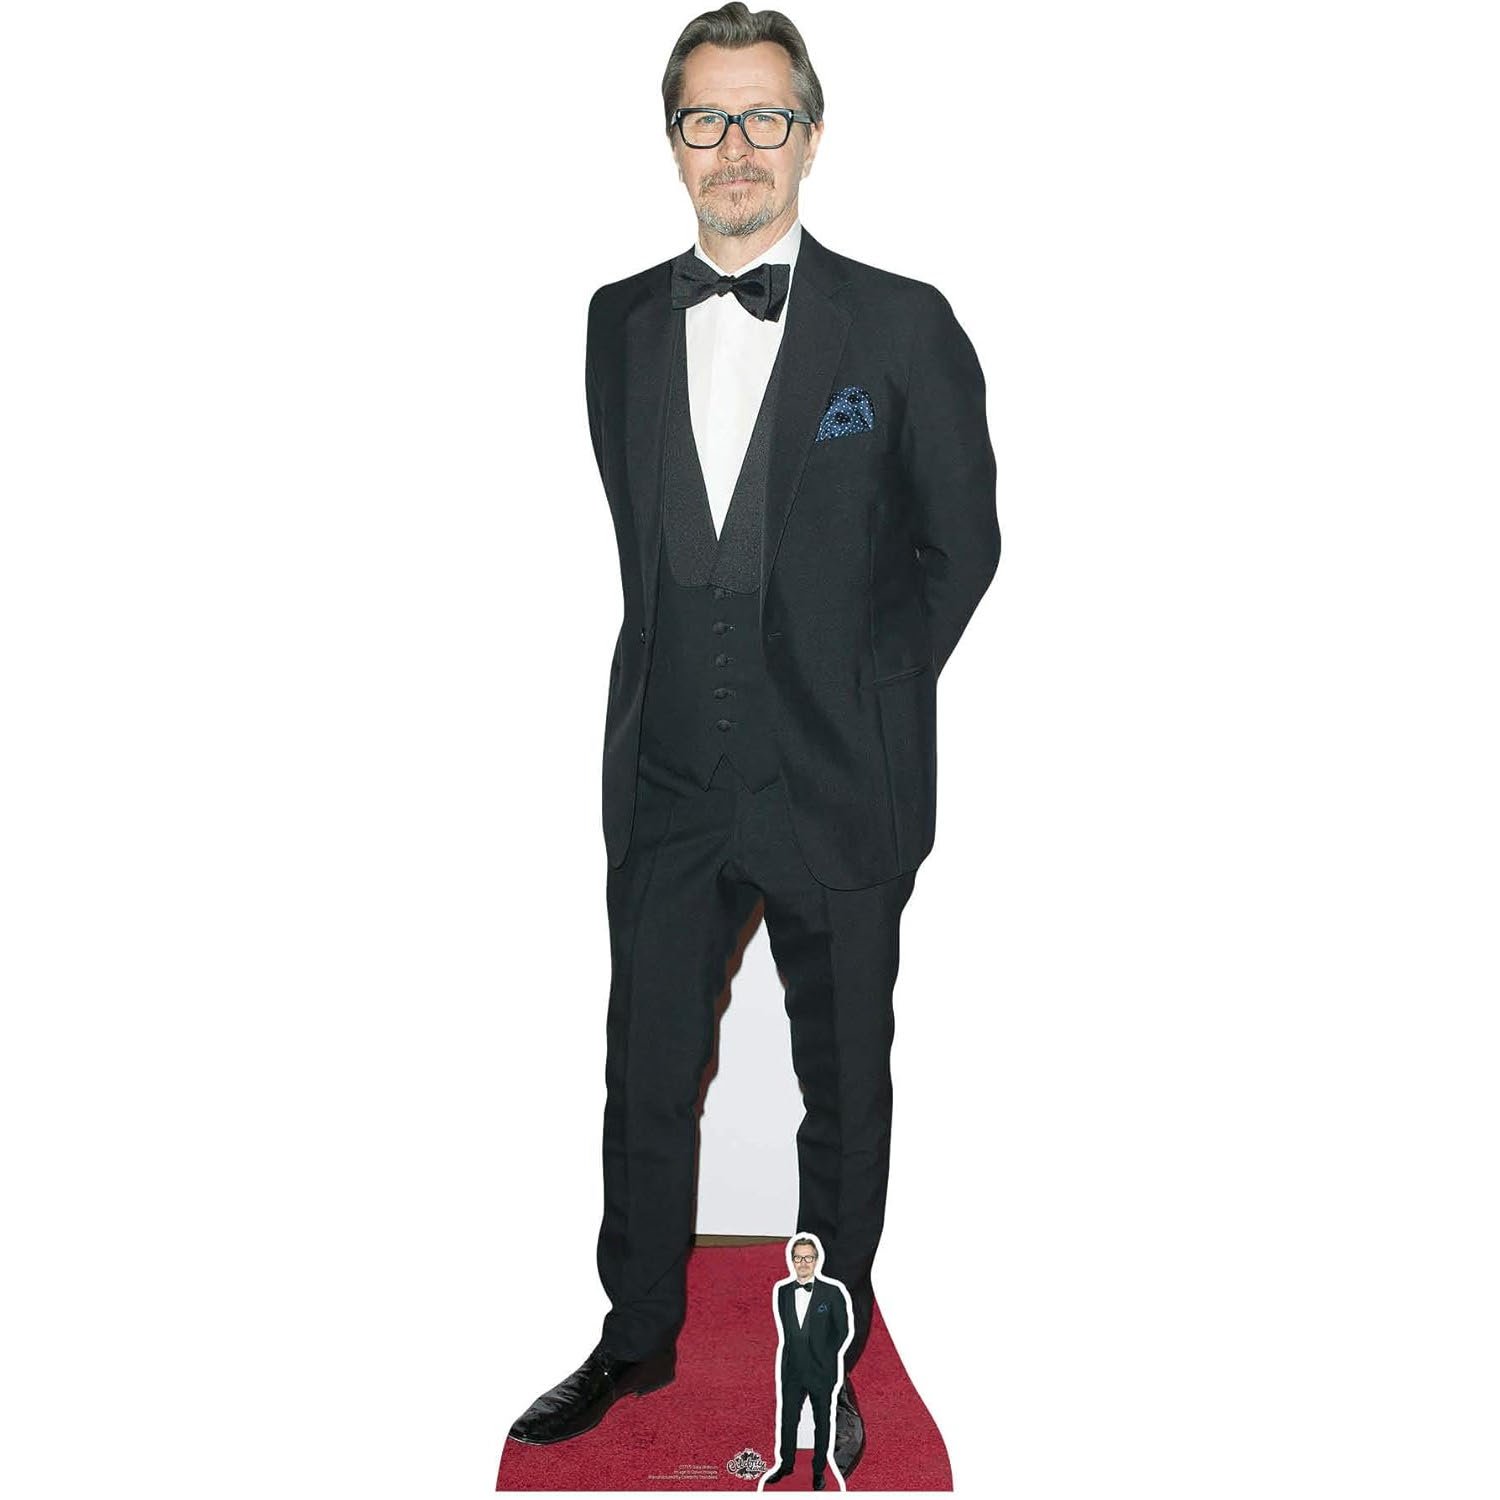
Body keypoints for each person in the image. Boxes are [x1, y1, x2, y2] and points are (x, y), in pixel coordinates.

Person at [508, 2, 999, 1472]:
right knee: (645, 1072)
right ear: (673, 141)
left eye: (765, 116)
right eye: (707, 119)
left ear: (812, 134)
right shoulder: (613, 323)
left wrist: (870, 692)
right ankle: (635, 1335)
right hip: (669, 776)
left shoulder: (902, 324)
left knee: (843, 1090)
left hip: (837, 785)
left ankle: (827, 1351)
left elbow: (961, 548)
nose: (737, 147)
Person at [763, 1236, 851, 1492]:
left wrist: (825, 1355)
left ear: (816, 1260)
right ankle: (786, 1464)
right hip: (791, 1369)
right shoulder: (782, 1292)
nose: (803, 1263)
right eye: (798, 1257)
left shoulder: (832, 1293)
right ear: (792, 1261)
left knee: (822, 1421)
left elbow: (843, 1331)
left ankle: (818, 1470)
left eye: (808, 1257)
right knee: (788, 1419)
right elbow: (787, 1330)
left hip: (821, 1371)